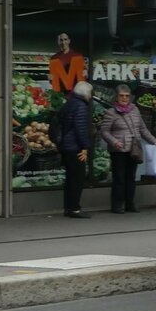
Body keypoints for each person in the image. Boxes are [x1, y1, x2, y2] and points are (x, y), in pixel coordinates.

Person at [98, 84, 156, 212]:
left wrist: (154, 141)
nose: (124, 98)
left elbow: (143, 129)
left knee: (131, 177)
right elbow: (104, 131)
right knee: (119, 178)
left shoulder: (135, 110)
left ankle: (130, 204)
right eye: (121, 96)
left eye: (127, 96)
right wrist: (114, 142)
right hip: (118, 150)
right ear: (116, 97)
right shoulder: (111, 112)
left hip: (134, 148)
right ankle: (117, 205)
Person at [60, 81, 93, 218]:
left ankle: (68, 207)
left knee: (70, 178)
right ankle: (74, 208)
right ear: (85, 93)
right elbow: (81, 128)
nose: (91, 96)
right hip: (75, 147)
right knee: (77, 178)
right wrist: (85, 147)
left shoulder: (70, 103)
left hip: (66, 146)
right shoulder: (81, 106)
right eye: (90, 93)